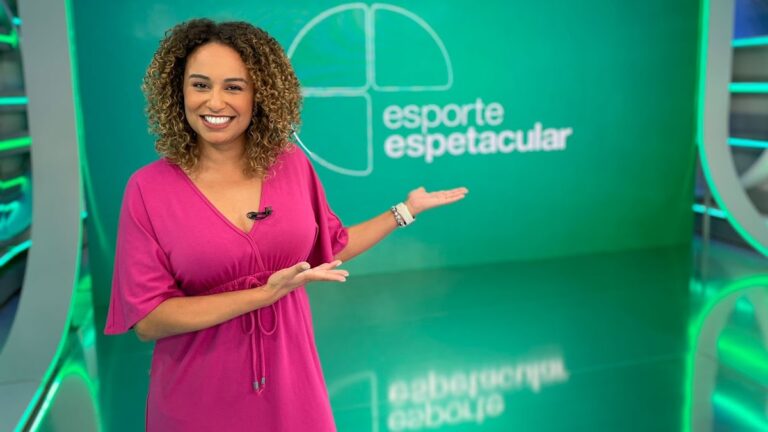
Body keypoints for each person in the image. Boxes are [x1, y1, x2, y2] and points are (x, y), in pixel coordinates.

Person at [104, 18, 468, 431]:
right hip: (197, 403)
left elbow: (331, 247)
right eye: (200, 85)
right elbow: (149, 319)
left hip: (294, 395)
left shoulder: (292, 165)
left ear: (259, 95)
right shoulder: (147, 189)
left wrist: (404, 210)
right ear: (178, 90)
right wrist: (263, 295)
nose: (214, 102)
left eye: (234, 87)